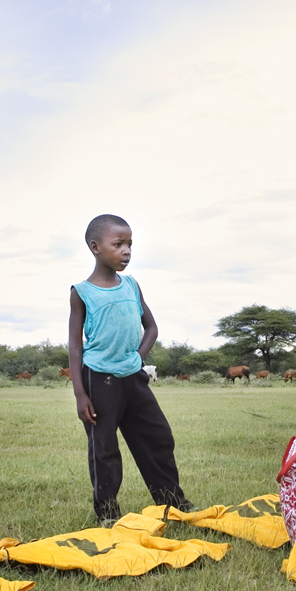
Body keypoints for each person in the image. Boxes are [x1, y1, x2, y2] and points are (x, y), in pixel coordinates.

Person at [68, 214, 193, 526]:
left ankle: (172, 503)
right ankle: (108, 515)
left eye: (130, 245)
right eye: (118, 244)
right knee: (104, 449)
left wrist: (138, 357)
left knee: (158, 437)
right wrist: (81, 394)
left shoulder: (132, 286)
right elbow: (74, 345)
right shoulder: (82, 292)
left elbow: (150, 327)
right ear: (96, 247)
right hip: (99, 380)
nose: (126, 251)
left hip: (133, 379)